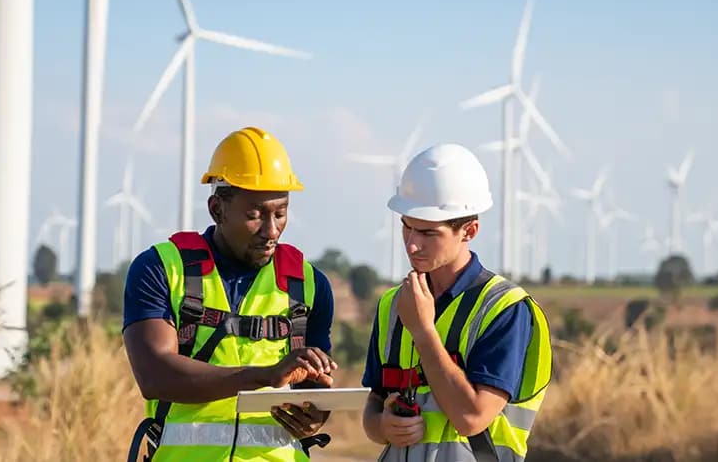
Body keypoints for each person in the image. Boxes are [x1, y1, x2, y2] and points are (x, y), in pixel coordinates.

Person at [123, 127, 338, 462]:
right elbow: (154, 375)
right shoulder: (161, 269)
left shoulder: (310, 284)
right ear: (217, 209)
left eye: (280, 213)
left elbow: (314, 389)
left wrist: (316, 413)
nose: (271, 231)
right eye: (254, 215)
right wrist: (264, 376)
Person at [361, 143, 552, 462]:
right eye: (406, 227)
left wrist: (423, 332)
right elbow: (373, 406)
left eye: (427, 233)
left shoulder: (505, 308)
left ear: (469, 231)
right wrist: (382, 426)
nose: (411, 244)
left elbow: (472, 418)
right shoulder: (393, 305)